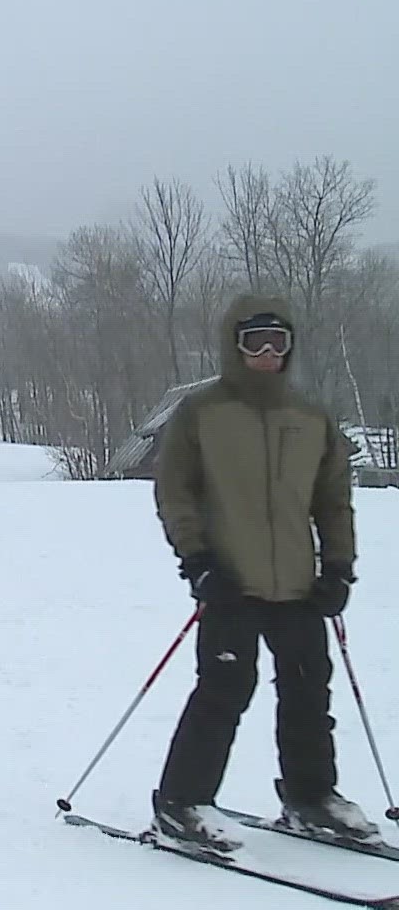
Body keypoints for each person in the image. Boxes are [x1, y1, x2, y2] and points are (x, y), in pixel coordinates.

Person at [149, 295, 369, 852]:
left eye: (279, 341)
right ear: (235, 346)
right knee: (225, 688)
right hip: (230, 579)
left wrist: (339, 566)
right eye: (255, 341)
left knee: (307, 690)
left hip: (299, 583)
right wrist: (196, 562)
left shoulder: (310, 417)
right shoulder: (202, 413)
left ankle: (311, 797)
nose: (268, 352)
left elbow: (333, 500)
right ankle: (183, 803)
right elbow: (176, 493)